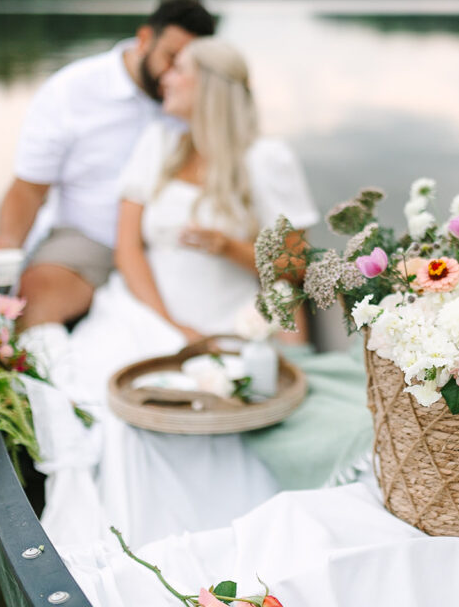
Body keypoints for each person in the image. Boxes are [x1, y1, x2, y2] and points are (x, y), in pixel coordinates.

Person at [36, 37, 320, 549]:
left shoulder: (266, 158)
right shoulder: (159, 147)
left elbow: (297, 267)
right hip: (146, 310)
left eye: (179, 70)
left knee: (224, 407)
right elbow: (128, 249)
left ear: (210, 86)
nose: (164, 77)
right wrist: (171, 324)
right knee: (116, 410)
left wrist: (231, 247)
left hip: (230, 321)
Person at [0, 0, 215, 331]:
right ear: (144, 39)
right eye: (170, 58)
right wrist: (6, 245)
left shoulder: (203, 96)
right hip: (91, 242)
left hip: (173, 240)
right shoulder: (71, 91)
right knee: (35, 300)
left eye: (188, 66)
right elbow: (29, 189)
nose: (174, 75)